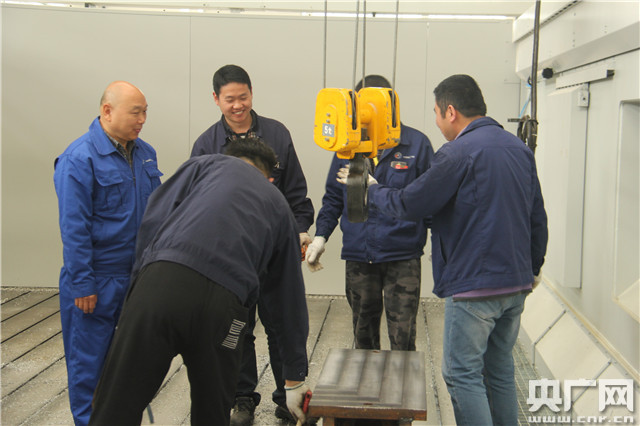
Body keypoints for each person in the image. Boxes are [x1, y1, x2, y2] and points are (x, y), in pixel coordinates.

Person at [338, 74, 548, 425]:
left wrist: (371, 189)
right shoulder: (518, 149)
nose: (436, 122)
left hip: (474, 286)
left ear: (451, 112)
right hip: (516, 284)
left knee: (461, 373)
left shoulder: (457, 152)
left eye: (436, 113)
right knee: (498, 370)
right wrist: (534, 267)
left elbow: (411, 203)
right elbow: (537, 216)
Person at [89, 138, 311, 425]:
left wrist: (135, 300)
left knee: (115, 406)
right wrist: (294, 378)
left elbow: (153, 222)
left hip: (160, 285)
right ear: (269, 178)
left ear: (227, 157)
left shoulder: (203, 165)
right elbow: (288, 300)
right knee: (212, 413)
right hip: (225, 308)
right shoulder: (279, 205)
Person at [190, 64, 314, 425]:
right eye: (229, 99)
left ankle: (286, 397)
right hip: (231, 257)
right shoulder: (206, 145)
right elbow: (198, 204)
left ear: (252, 93)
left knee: (282, 327)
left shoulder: (277, 134)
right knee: (235, 330)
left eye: (243, 97)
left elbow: (296, 194)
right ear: (216, 99)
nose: (237, 105)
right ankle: (242, 398)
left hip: (275, 253)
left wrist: (300, 232)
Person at [53, 81, 163, 425]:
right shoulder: (79, 159)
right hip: (96, 281)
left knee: (131, 367)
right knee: (89, 368)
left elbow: (158, 214)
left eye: (145, 112)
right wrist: (83, 283)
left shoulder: (145, 153)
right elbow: (74, 228)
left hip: (136, 279)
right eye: (136, 112)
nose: (142, 120)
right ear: (107, 111)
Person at [306, 75, 434, 351]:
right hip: (359, 254)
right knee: (363, 337)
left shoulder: (416, 144)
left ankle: (400, 381)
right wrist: (320, 237)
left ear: (390, 106)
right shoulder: (347, 145)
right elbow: (333, 197)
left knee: (403, 338)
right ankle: (365, 381)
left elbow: (429, 202)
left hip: (402, 255)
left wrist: (443, 247)